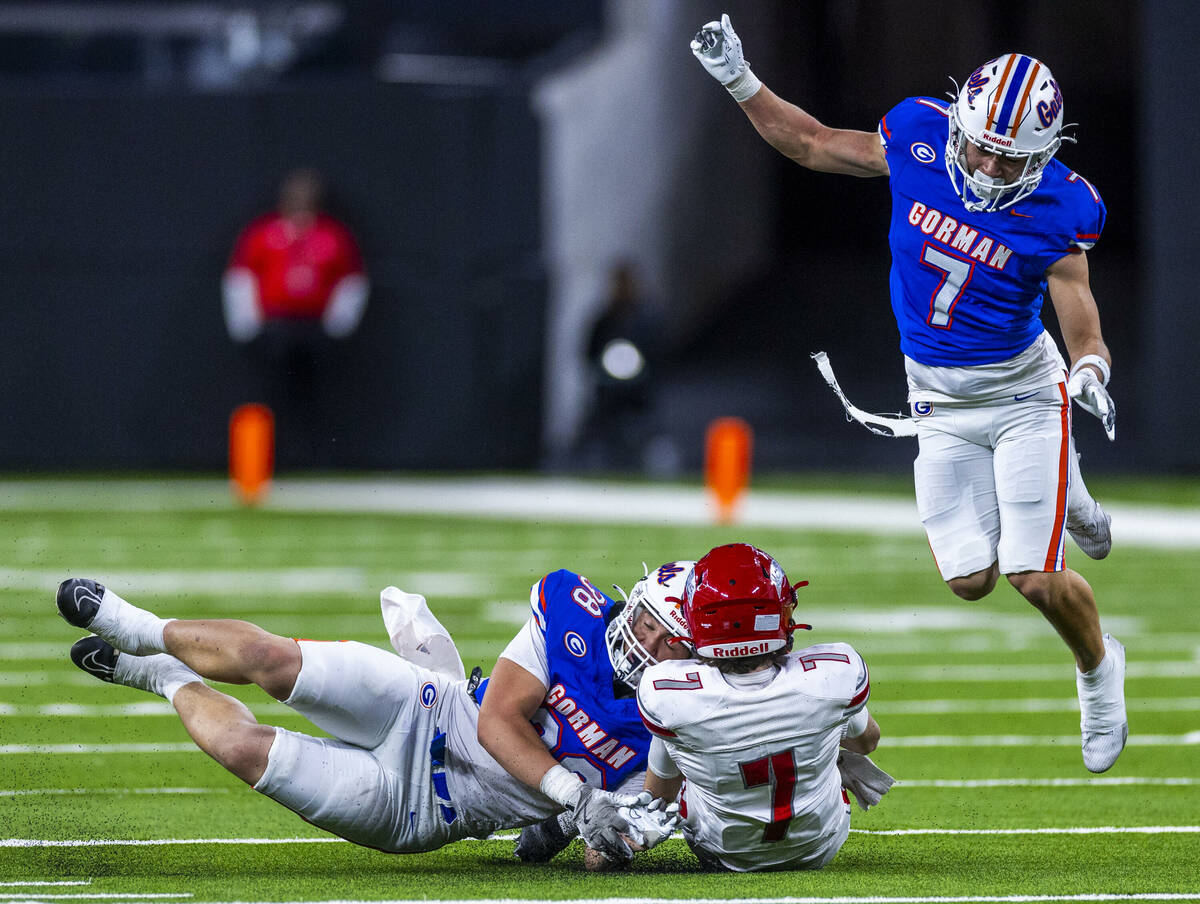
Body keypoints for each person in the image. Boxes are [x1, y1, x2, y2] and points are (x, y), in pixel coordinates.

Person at [691, 16, 1127, 772]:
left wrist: (1089, 372)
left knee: (1034, 576)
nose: (989, 163)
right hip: (936, 400)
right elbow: (812, 142)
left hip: (1025, 395)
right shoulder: (919, 138)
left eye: (1009, 153)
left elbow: (1080, 318)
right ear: (958, 119)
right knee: (969, 581)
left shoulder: (1062, 207)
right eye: (982, 142)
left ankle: (1097, 667)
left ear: (1044, 155)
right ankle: (1074, 495)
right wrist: (740, 79)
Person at [53, 561, 688, 862]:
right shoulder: (570, 611)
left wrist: (612, 834)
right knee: (267, 659)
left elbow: (603, 857)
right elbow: (497, 722)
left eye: (672, 641)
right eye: (646, 621)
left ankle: (160, 675)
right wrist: (572, 796)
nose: (649, 642)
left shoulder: (672, 731)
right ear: (628, 602)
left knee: (244, 751)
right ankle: (136, 627)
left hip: (425, 810)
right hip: (432, 710)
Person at [636, 544, 893, 871]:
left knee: (676, 732)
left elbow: (662, 794)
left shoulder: (667, 690)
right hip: (821, 842)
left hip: (722, 852)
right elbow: (866, 742)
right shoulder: (834, 672)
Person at [222, 168, 369, 467]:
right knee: (270, 393)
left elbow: (352, 280)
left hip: (315, 326)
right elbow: (241, 276)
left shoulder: (332, 235)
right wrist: (245, 323)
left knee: (318, 394)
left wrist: (340, 322)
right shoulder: (264, 232)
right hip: (276, 325)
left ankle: (319, 460)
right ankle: (265, 461)